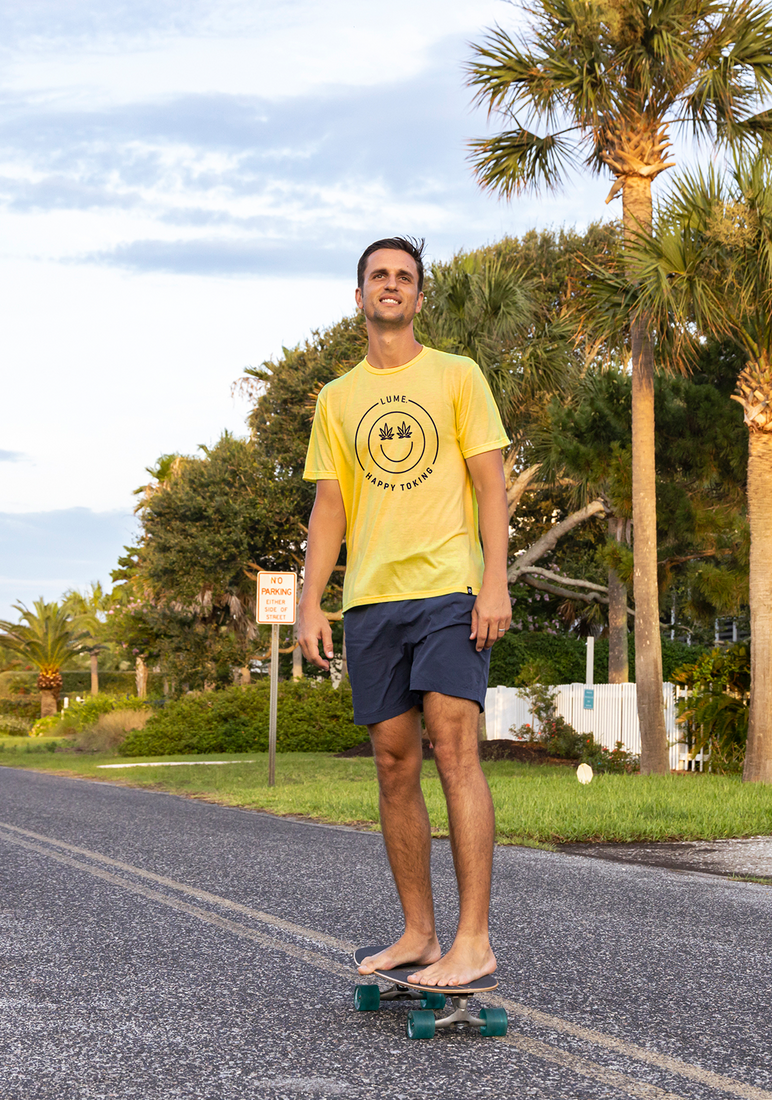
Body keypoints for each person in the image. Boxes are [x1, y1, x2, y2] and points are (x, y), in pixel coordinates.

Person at [297, 236, 511, 988]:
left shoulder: (457, 376)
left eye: (405, 277)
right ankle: (420, 933)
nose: (392, 285)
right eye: (378, 276)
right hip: (371, 602)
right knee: (393, 762)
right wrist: (309, 600)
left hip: (450, 590)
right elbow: (331, 506)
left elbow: (490, 485)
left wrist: (495, 583)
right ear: (358, 297)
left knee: (454, 747)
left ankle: (474, 940)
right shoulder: (337, 397)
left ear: (419, 298)